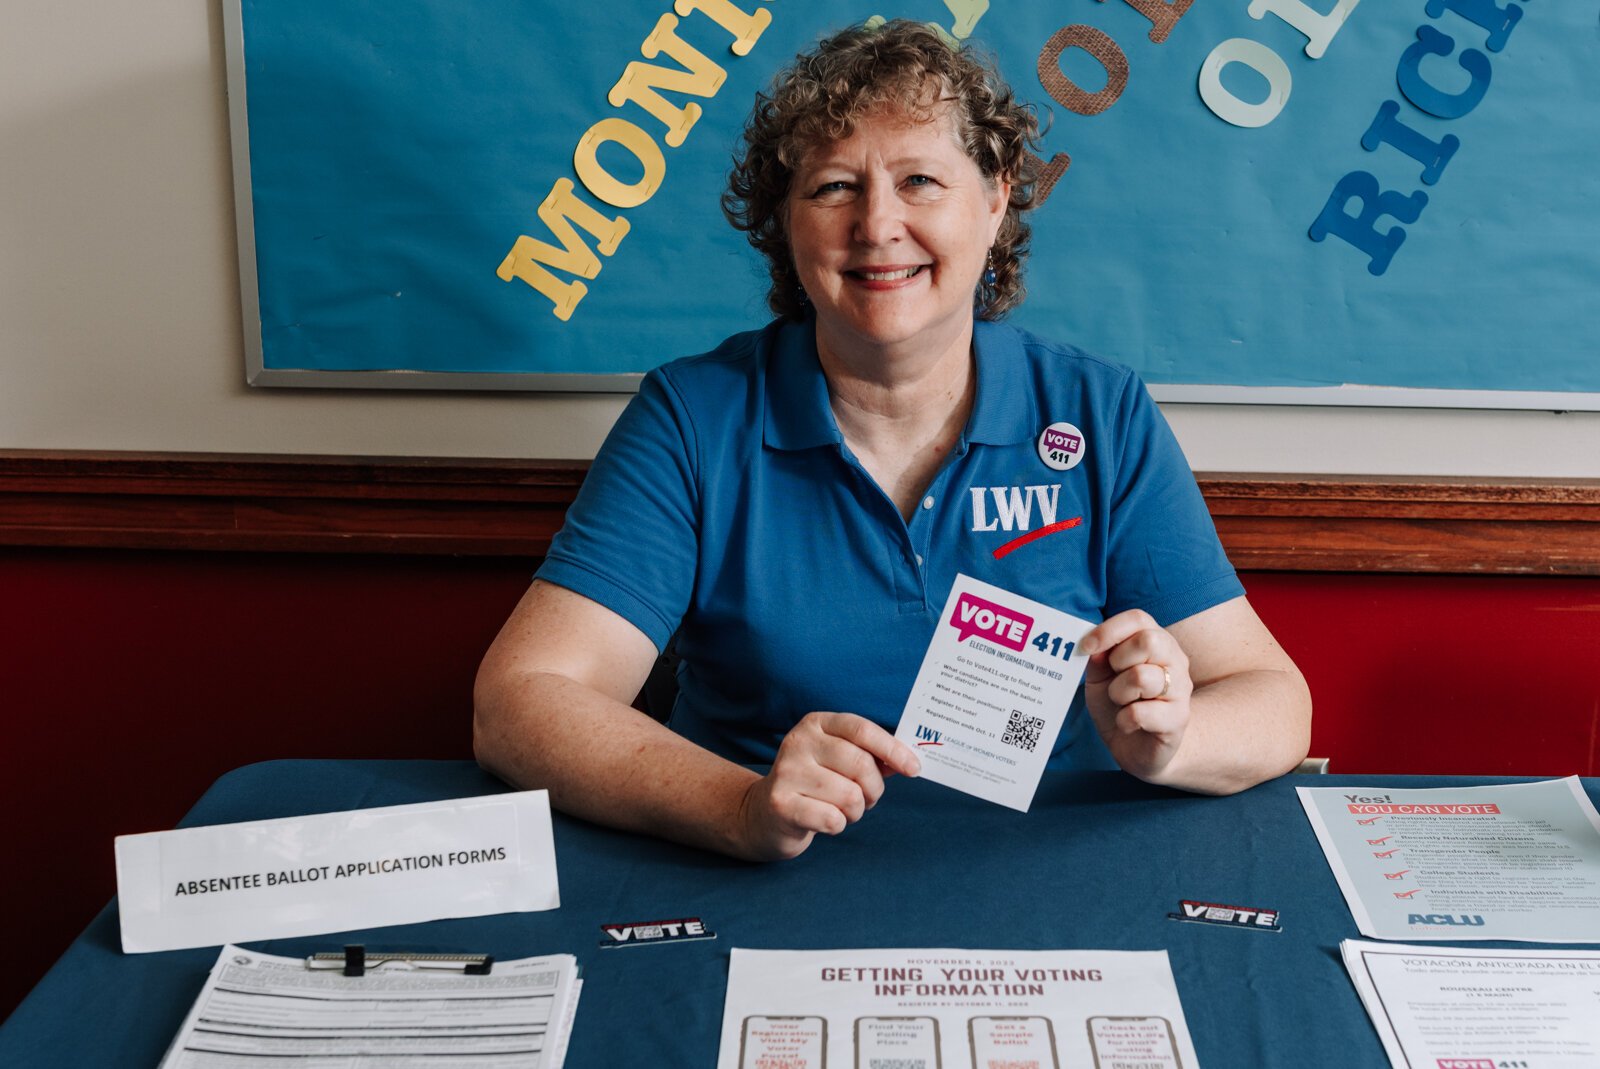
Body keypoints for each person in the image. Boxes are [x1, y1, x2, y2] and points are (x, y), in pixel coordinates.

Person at [474, 20, 1310, 862]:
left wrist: (1172, 741)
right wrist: (741, 805)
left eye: (919, 180)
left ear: (994, 198)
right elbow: (521, 702)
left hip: (1053, 865)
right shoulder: (693, 416)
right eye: (835, 187)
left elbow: (1274, 700)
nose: (877, 225)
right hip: (755, 881)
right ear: (785, 222)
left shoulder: (1099, 413)